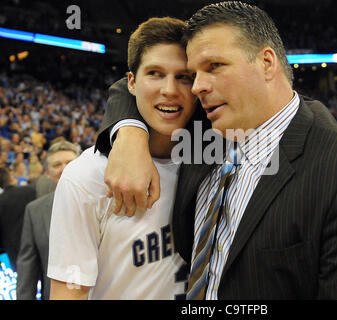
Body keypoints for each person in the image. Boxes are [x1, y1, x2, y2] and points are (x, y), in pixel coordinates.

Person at [96, 1, 337, 299]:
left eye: (214, 66)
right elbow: (135, 86)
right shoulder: (206, 129)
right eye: (194, 74)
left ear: (267, 62)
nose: (195, 87)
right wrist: (129, 134)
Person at [47, 17, 197, 300]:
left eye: (183, 77)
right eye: (154, 73)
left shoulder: (211, 158)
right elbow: (69, 293)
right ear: (130, 82)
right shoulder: (86, 175)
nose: (169, 89)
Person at [16, 141, 79, 300]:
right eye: (57, 164)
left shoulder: (102, 201)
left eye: (70, 163)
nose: (64, 168)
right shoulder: (34, 210)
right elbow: (27, 269)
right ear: (47, 173)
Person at [0, 167, 35, 270]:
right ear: (11, 177)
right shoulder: (30, 191)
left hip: (14, 254)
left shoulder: (1, 201)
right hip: (36, 247)